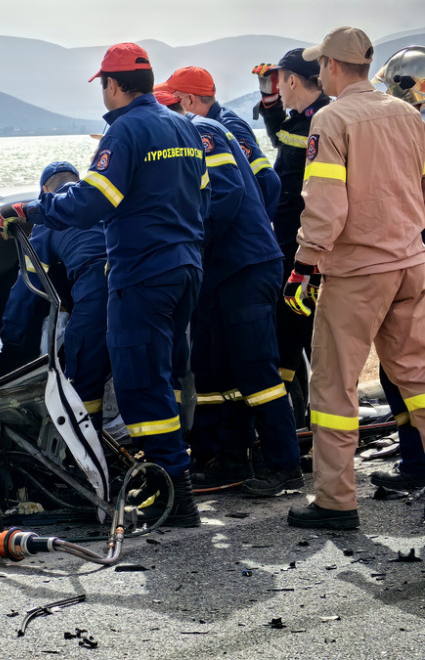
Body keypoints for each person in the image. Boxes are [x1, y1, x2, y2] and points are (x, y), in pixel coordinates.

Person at [0, 43, 209, 527]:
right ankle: (175, 484)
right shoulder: (183, 126)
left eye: (104, 86)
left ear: (112, 85)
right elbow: (203, 197)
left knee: (139, 385)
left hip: (143, 273)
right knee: (165, 377)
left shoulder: (128, 131)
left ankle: (174, 497)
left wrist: (32, 211)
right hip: (185, 267)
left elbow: (93, 200)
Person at [283, 27, 425, 529]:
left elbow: (325, 204)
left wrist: (304, 265)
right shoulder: (407, 114)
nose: (319, 71)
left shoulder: (332, 118)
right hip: (411, 262)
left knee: (334, 389)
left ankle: (336, 501)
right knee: (419, 379)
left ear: (334, 67)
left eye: (321, 65)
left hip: (358, 271)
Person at [157, 90, 302, 496]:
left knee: (256, 368)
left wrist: (185, 238)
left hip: (245, 267)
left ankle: (284, 466)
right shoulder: (175, 146)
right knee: (214, 372)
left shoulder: (201, 131)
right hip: (217, 272)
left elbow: (225, 193)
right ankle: (227, 458)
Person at [1, 161, 111, 431]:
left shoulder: (49, 220)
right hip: (138, 285)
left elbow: (27, 287)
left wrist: (9, 342)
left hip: (97, 293)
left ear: (44, 191)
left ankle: (85, 453)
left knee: (84, 381)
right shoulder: (101, 200)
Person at [252, 50, 330, 393]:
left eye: (280, 81)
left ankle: (295, 410)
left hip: (305, 241)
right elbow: (282, 142)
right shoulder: (303, 118)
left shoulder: (325, 119)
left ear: (293, 80)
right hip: (291, 236)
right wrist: (269, 102)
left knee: (295, 322)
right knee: (296, 324)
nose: (279, 87)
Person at [368, 45, 425, 491]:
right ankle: (413, 460)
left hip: (411, 259)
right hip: (412, 258)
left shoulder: (410, 132)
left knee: (403, 369)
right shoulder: (412, 129)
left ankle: (416, 463)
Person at [164, 66, 281, 219]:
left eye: (174, 100)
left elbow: (267, 179)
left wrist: (251, 223)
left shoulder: (228, 127)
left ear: (190, 100)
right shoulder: (212, 124)